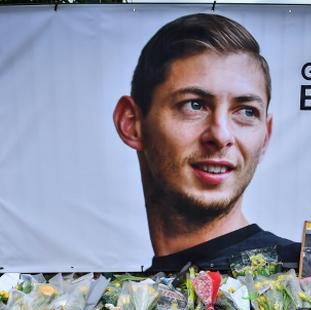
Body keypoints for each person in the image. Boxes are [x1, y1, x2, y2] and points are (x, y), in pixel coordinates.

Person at [113, 13, 300, 273]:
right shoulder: (122, 300)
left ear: (265, 136)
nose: (221, 136)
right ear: (131, 122)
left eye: (246, 111)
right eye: (194, 105)